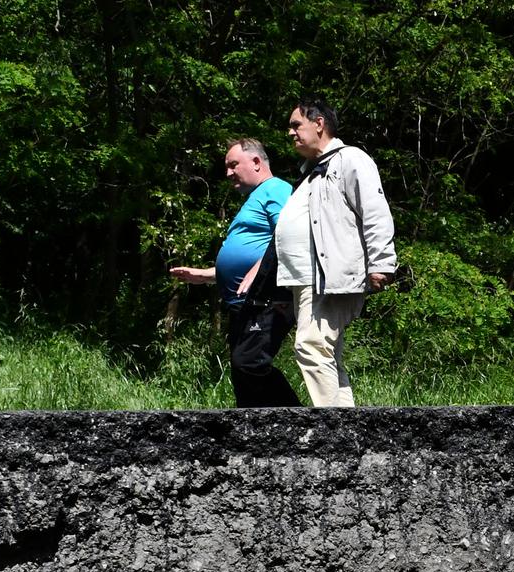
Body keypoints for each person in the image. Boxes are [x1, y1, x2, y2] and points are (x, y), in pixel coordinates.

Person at [275, 98, 398, 408]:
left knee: (311, 347)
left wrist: (381, 263)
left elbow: (374, 211)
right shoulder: (312, 171)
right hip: (305, 278)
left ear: (319, 124)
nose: (290, 133)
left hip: (328, 277)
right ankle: (346, 428)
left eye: (295, 125)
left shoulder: (349, 159)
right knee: (325, 353)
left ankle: (333, 432)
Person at [169, 138, 302, 408]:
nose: (228, 173)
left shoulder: (275, 188)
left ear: (255, 162)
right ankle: (253, 436)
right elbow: (248, 253)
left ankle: (302, 422)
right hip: (245, 302)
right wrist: (208, 274)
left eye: (233, 165)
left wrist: (258, 268)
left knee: (250, 364)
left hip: (266, 298)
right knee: (242, 375)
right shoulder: (254, 199)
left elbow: (288, 234)